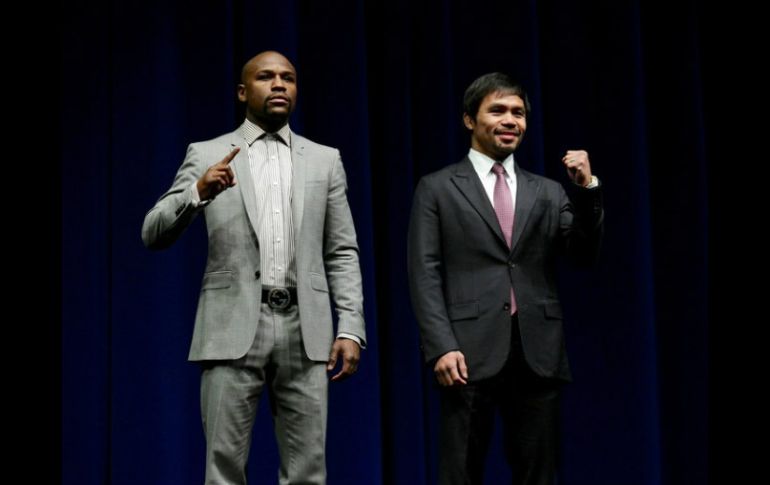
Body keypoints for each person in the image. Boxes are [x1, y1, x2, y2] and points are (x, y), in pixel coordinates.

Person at [142, 50, 365, 485]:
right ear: (244, 92)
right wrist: (197, 192)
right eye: (266, 77)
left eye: (288, 77)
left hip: (307, 329)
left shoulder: (324, 160)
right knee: (223, 469)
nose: (279, 84)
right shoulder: (206, 153)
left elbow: (342, 250)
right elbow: (153, 232)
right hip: (231, 327)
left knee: (308, 473)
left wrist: (350, 326)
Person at [407, 72, 604, 485]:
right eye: (497, 110)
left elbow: (583, 254)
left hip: (538, 352)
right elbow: (424, 274)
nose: (510, 119)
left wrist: (586, 189)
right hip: (466, 353)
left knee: (539, 474)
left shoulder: (549, 191)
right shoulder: (438, 188)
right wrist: (441, 346)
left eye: (518, 112)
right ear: (469, 120)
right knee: (460, 473)